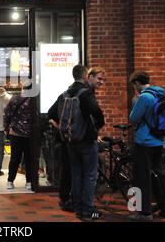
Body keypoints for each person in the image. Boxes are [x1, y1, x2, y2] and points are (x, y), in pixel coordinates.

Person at [128, 71, 165, 221]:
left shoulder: (144, 97)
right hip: (159, 141)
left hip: (144, 142)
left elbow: (133, 118)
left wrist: (135, 101)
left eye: (134, 85)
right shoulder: (160, 94)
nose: (134, 87)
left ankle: (144, 212)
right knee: (159, 175)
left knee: (142, 177)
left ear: (137, 83)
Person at [64, 64, 105, 220]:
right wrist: (96, 128)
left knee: (76, 174)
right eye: (99, 78)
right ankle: (87, 210)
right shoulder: (86, 93)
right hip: (86, 140)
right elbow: (98, 114)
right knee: (89, 175)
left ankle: (78, 208)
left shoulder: (67, 92)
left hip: (71, 140)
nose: (101, 82)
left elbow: (54, 112)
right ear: (87, 76)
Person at [4, 84, 35, 190]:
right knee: (29, 159)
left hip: (16, 133)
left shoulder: (15, 99)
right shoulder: (34, 100)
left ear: (23, 89)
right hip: (30, 134)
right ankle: (29, 182)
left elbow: (7, 114)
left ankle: (10, 181)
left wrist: (7, 128)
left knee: (14, 158)